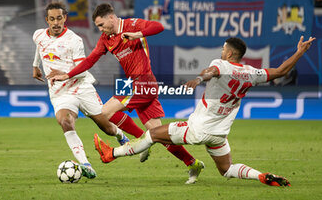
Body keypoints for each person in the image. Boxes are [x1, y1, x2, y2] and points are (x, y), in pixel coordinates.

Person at [94, 36, 315, 186]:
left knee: (152, 134)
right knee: (226, 169)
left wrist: (200, 78)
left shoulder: (221, 64)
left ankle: (110, 155)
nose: (221, 51)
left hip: (198, 129)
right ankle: (261, 176)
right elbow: (280, 71)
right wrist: (299, 52)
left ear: (229, 53)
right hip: (219, 134)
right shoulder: (251, 73)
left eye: (223, 49)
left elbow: (211, 71)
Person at [48, 3, 204, 184]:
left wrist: (138, 34)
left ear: (111, 18)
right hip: (134, 85)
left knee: (105, 112)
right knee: (158, 134)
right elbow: (90, 61)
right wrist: (67, 75)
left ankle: (139, 139)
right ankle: (192, 163)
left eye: (101, 25)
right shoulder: (106, 39)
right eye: (97, 26)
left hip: (144, 82)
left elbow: (159, 26)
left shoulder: (132, 25)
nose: (100, 29)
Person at [32, 1, 129, 180]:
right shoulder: (38, 35)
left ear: (65, 18)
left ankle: (120, 134)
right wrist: (35, 65)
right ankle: (86, 164)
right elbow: (39, 48)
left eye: (59, 18)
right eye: (52, 19)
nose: (55, 23)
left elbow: (82, 69)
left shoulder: (74, 40)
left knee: (106, 127)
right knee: (65, 122)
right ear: (47, 20)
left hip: (81, 87)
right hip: (60, 93)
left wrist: (64, 74)